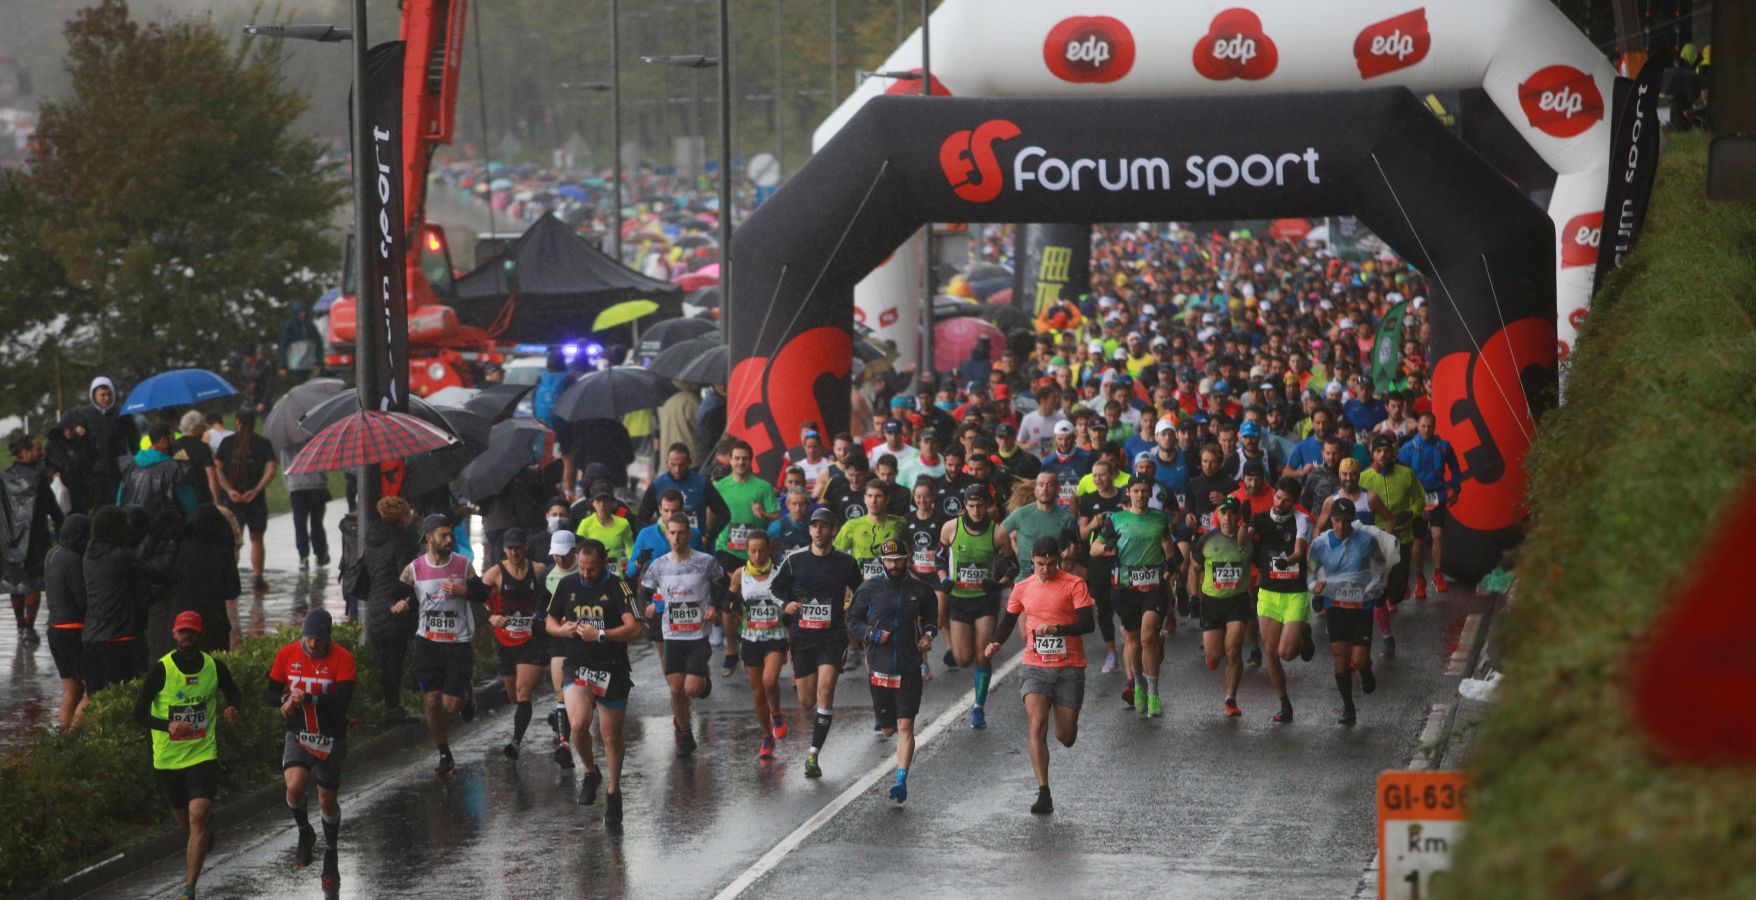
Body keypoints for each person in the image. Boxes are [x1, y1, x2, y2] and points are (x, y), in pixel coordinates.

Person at [133, 611, 243, 900]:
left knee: (198, 814)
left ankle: (188, 888)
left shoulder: (214, 667)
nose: (186, 636)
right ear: (174, 634)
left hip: (202, 753)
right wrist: (167, 725)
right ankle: (203, 832)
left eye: (191, 632)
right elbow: (138, 713)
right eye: (182, 632)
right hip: (168, 759)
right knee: (187, 821)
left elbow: (234, 694)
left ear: (201, 634)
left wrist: (234, 709)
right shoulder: (162, 669)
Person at [985, 535, 1095, 815]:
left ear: (1058, 560)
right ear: (1031, 561)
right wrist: (996, 641)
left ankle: (1067, 727)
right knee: (1037, 723)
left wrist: (1057, 630)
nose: (1045, 569)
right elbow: (1009, 619)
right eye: (1039, 564)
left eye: (1050, 564)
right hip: (1035, 666)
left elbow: (1087, 624)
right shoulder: (1022, 588)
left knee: (1065, 736)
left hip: (1069, 666)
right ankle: (1043, 791)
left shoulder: (1074, 584)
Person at [546, 537, 643, 826]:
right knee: (577, 725)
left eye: (592, 569)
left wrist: (600, 635)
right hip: (578, 665)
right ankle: (590, 771)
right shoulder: (568, 585)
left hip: (612, 668)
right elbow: (549, 622)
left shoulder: (617, 586)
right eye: (583, 568)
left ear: (603, 563)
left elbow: (636, 628)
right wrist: (564, 631)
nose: (586, 574)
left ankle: (614, 792)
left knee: (611, 735)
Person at [770, 507, 865, 778]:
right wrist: (786, 604)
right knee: (806, 701)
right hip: (802, 637)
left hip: (832, 637)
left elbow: (862, 590)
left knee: (825, 693)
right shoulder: (795, 560)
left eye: (824, 525)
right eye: (814, 525)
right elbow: (774, 589)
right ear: (810, 530)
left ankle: (813, 755)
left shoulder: (846, 562)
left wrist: (853, 609)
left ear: (833, 530)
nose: (819, 530)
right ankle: (813, 746)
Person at [267, 609, 354, 892]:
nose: (313, 645)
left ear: (329, 638)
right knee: (294, 786)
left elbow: (342, 702)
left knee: (327, 800)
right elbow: (269, 691)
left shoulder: (343, 659)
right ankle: (305, 831)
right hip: (299, 733)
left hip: (330, 736)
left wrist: (312, 697)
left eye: (319, 640)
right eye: (309, 638)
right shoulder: (287, 654)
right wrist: (284, 700)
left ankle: (331, 848)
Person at [847, 538, 938, 804]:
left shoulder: (920, 591)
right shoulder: (869, 590)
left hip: (909, 666)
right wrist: (872, 635)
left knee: (905, 726)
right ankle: (886, 728)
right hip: (879, 666)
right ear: (882, 562)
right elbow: (852, 621)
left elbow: (932, 618)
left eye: (898, 559)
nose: (894, 564)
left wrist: (929, 636)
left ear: (907, 558)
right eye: (889, 560)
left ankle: (901, 780)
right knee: (888, 730)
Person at [400, 513, 485, 776]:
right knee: (432, 703)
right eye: (443, 535)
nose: (449, 539)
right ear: (429, 538)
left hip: (457, 643)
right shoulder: (413, 569)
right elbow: (402, 594)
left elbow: (483, 593)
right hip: (427, 642)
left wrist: (465, 592)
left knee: (450, 706)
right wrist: (403, 603)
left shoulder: (463, 565)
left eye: (450, 534)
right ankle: (444, 753)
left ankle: (466, 695)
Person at [639, 513, 726, 756]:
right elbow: (645, 591)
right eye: (672, 533)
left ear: (689, 534)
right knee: (676, 689)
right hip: (671, 634)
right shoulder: (658, 565)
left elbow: (723, 583)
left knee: (691, 689)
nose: (677, 537)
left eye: (681, 533)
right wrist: (647, 607)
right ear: (667, 534)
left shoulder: (705, 561)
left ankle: (703, 683)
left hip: (698, 635)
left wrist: (715, 607)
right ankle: (686, 733)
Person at [1094, 479, 1177, 717]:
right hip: (1125, 589)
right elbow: (1094, 549)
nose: (1140, 495)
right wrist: (1108, 547)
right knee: (1132, 641)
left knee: (1148, 635)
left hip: (1153, 587)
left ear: (1150, 493)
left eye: (1144, 491)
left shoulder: (1159, 518)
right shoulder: (1116, 520)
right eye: (1136, 491)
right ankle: (1138, 686)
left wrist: (1170, 563)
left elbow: (1166, 543)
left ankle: (1153, 694)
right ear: (1128, 493)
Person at [1308, 497, 1389, 726]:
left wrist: (1377, 585)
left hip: (1360, 606)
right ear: (1330, 520)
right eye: (1336, 521)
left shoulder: (1366, 541)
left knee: (1359, 659)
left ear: (1352, 521)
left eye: (1345, 521)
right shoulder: (1321, 544)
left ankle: (1366, 671)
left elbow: (1380, 566)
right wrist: (1315, 588)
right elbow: (1311, 573)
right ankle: (1348, 707)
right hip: (1335, 607)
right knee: (1340, 658)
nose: (1341, 526)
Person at [939, 483, 1013, 729]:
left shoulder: (998, 533)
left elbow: (1012, 566)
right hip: (959, 599)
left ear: (987, 505)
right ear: (964, 507)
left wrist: (999, 584)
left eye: (980, 505)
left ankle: (978, 708)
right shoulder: (951, 528)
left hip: (985, 600)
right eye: (971, 506)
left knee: (983, 656)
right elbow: (938, 557)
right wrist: (943, 580)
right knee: (962, 659)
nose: (976, 510)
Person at [83, 505, 176, 692]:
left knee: (96, 699)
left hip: (92, 638)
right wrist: (166, 542)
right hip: (120, 640)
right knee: (129, 694)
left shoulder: (90, 555)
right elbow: (159, 574)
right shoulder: (120, 557)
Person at [1249, 477, 1316, 724]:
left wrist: (1284, 562)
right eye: (1278, 497)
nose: (1280, 503)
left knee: (1286, 653)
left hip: (1294, 592)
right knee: (1270, 651)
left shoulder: (1302, 520)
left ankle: (1302, 635)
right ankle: (1284, 703)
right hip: (1268, 592)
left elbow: (1299, 551)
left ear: (1294, 502)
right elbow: (1244, 541)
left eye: (1286, 500)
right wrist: (1244, 528)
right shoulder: (1260, 518)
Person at [710, 439, 779, 676]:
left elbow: (777, 519)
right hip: (727, 550)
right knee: (729, 603)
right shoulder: (720, 487)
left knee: (756, 601)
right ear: (729, 460)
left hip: (757, 552)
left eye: (745, 458)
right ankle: (731, 651)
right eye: (736, 458)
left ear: (751, 461)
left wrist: (764, 515)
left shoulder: (762, 487)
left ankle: (761, 643)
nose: (740, 462)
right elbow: (711, 515)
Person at [483, 528, 550, 759]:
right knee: (513, 694)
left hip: (531, 640)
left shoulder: (539, 570)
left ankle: (516, 742)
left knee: (524, 692)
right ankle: (547, 719)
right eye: (510, 548)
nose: (514, 552)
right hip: (506, 640)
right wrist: (491, 615)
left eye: (518, 547)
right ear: (504, 550)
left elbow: (553, 596)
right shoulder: (495, 574)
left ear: (525, 547)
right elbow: (478, 598)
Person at [1358, 433, 1424, 656]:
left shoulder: (1406, 474)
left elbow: (1420, 498)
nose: (1383, 454)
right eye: (1378, 451)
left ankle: (1396, 591)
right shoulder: (1364, 478)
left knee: (1394, 593)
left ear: (1393, 452)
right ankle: (1379, 627)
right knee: (1374, 592)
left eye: (1386, 450)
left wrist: (1411, 513)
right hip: (1374, 541)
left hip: (1400, 539)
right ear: (1372, 453)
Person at [357, 496, 420, 726]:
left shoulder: (371, 538)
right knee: (395, 659)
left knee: (383, 659)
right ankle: (393, 709)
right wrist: (408, 599)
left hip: (375, 604)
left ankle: (387, 705)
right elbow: (406, 576)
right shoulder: (401, 539)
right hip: (395, 605)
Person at [1189, 497, 1254, 717]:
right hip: (1212, 602)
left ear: (1238, 517)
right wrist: (1192, 596)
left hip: (1237, 600)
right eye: (1224, 513)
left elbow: (1261, 565)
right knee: (1215, 655)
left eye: (1232, 513)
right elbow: (1195, 567)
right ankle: (1211, 656)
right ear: (1219, 515)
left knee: (1234, 649)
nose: (1227, 518)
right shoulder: (1207, 540)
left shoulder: (1247, 540)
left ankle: (1231, 698)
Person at [731, 530, 789, 759]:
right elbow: (730, 599)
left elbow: (789, 600)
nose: (757, 555)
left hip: (776, 635)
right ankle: (766, 736)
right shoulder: (740, 574)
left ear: (769, 550)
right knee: (757, 693)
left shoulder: (780, 573)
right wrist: (726, 608)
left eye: (761, 550)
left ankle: (776, 711)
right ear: (747, 551)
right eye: (752, 550)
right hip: (750, 638)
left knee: (769, 680)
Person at [3, 434, 63, 644]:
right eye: (37, 448)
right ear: (26, 453)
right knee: (33, 585)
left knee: (15, 585)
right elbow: (53, 508)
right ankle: (29, 627)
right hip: (35, 540)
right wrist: (62, 526)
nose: (41, 452)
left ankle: (20, 626)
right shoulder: (38, 479)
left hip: (10, 541)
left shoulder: (4, 477)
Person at [1398, 412, 1462, 598]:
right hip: (1416, 498)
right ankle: (1419, 577)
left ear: (1435, 427)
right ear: (1417, 426)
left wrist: (1456, 488)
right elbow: (1401, 475)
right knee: (1418, 540)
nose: (1426, 429)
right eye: (1423, 426)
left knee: (1438, 534)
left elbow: (1456, 467)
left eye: (1429, 426)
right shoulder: (1408, 448)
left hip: (1437, 495)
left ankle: (1438, 573)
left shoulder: (1443, 447)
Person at [167, 506, 242, 655]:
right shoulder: (222, 551)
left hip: (181, 620)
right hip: (213, 621)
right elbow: (233, 590)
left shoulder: (177, 548)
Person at [215, 410, 276, 592]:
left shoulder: (227, 443)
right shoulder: (262, 443)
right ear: (253, 423)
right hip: (255, 500)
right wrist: (257, 490)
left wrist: (229, 490)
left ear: (237, 422)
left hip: (233, 501)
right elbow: (271, 469)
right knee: (257, 539)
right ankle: (257, 579)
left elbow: (217, 469)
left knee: (234, 542)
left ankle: (230, 580)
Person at [44, 513, 90, 730]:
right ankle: (73, 737)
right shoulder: (74, 559)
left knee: (72, 690)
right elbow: (82, 599)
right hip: (74, 630)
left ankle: (62, 741)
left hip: (55, 630)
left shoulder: (51, 555)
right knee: (93, 690)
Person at [72, 376, 138, 513]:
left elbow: (133, 439)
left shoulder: (122, 413)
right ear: (94, 395)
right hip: (93, 471)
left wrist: (136, 461)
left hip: (117, 468)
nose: (106, 398)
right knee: (97, 507)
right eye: (102, 395)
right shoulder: (84, 415)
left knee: (117, 505)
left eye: (109, 394)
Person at [544, 530, 581, 768]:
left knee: (585, 698)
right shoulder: (549, 576)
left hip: (588, 643)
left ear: (574, 551)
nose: (559, 559)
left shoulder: (586, 570)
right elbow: (544, 611)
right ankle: (564, 744)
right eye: (555, 555)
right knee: (561, 692)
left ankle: (577, 727)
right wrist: (556, 628)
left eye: (564, 554)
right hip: (560, 639)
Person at [118, 423, 188, 521]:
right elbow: (187, 501)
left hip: (132, 522)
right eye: (173, 438)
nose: (175, 442)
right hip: (162, 526)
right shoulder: (173, 467)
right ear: (163, 440)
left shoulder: (130, 465)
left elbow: (120, 496)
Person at [276, 303, 324, 384]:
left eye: (304, 311)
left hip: (309, 364)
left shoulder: (310, 325)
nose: (303, 314)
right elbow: (283, 346)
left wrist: (319, 361)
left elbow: (318, 344)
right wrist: (282, 366)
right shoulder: (290, 326)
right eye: (300, 312)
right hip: (295, 365)